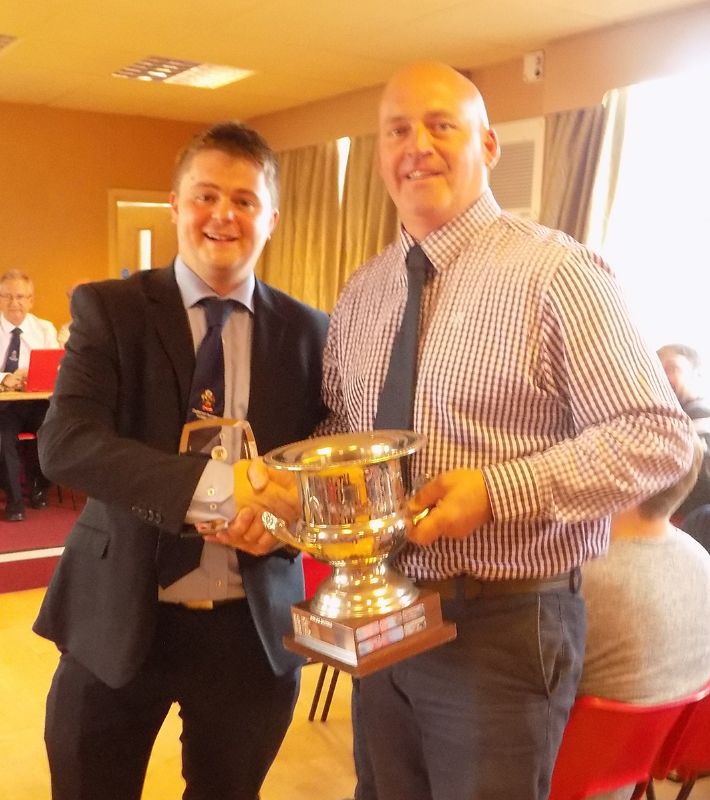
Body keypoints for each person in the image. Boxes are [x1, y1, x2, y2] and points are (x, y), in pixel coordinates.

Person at [320, 61, 695, 800]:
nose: (417, 145)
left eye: (441, 125)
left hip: (504, 622)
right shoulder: (362, 291)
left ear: (488, 145)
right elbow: (344, 425)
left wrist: (498, 491)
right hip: (385, 609)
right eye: (398, 129)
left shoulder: (557, 273)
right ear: (379, 152)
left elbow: (658, 435)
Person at [33, 121, 328, 800]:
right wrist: (222, 490)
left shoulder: (311, 333)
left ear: (271, 217)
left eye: (245, 200)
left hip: (250, 632)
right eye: (205, 195)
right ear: (175, 204)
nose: (223, 214)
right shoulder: (111, 310)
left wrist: (285, 521)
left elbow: (315, 470)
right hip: (119, 614)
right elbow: (66, 443)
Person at [579, 434, 710, 800]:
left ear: (629, 482)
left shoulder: (586, 578)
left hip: (567, 781)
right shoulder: (702, 560)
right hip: (637, 774)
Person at [0, 269, 60, 521]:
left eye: (21, 297)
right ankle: (14, 502)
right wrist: (5, 377)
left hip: (37, 403)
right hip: (4, 406)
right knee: (2, 438)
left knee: (53, 432)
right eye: (8, 296)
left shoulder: (44, 328)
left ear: (31, 299)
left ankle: (39, 489)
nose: (15, 303)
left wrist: (30, 375)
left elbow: (57, 366)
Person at [658, 343, 710, 519]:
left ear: (697, 374)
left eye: (671, 368)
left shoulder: (701, 419)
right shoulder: (662, 422)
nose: (662, 377)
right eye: (657, 370)